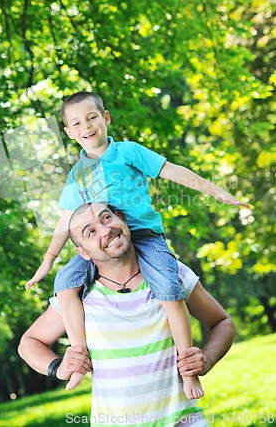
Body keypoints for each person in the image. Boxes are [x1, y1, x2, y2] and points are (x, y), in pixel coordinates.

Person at [25, 91, 248, 397]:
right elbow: (66, 221)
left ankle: (188, 369)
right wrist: (48, 261)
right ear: (69, 132)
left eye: (92, 117)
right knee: (65, 283)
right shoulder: (78, 174)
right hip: (107, 244)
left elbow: (173, 172)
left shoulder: (128, 152)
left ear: (105, 118)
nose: (86, 126)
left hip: (142, 236)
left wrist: (216, 191)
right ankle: (78, 360)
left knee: (169, 288)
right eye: (76, 123)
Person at [19, 203, 236, 427]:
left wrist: (206, 360)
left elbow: (223, 322)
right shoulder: (76, 296)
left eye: (106, 218)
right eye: (90, 232)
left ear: (122, 219)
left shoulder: (169, 275)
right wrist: (58, 368)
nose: (105, 231)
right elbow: (29, 343)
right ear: (82, 252)